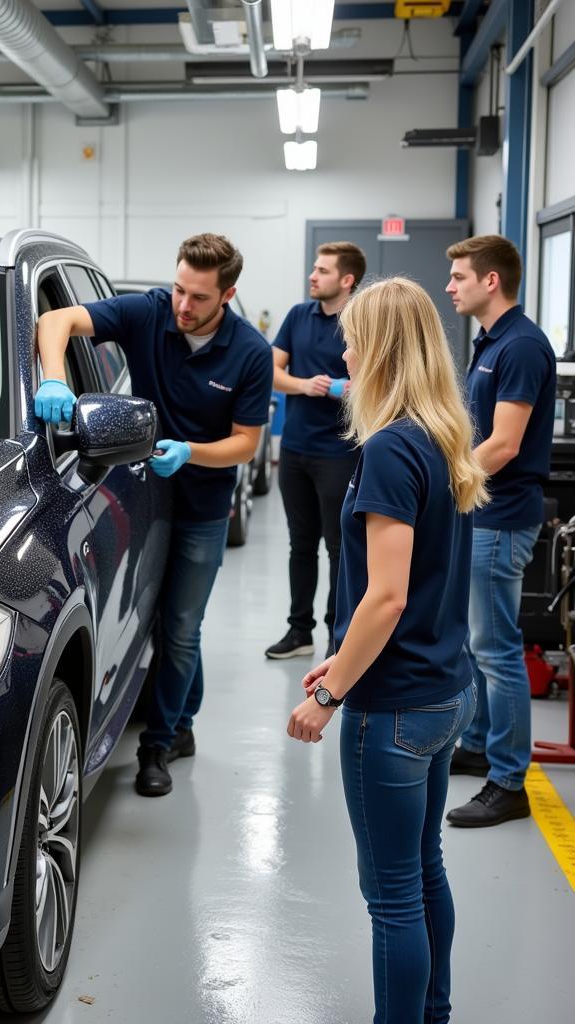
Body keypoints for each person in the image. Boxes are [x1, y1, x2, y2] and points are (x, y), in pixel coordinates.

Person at [287, 278, 486, 1024]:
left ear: (380, 350)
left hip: (394, 709)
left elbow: (387, 596)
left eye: (354, 338)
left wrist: (330, 694)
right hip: (445, 689)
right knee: (425, 869)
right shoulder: (440, 435)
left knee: (393, 894)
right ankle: (432, 1012)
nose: (344, 348)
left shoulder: (391, 448)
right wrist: (340, 659)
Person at [35, 233, 273, 797]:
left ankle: (158, 743)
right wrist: (53, 375)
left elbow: (245, 444)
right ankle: (182, 720)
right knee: (156, 618)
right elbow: (56, 323)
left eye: (198, 298)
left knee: (184, 627)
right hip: (142, 498)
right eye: (179, 290)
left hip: (201, 508)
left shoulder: (250, 353)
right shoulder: (149, 312)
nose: (183, 306)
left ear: (228, 295)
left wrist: (192, 452)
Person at [444, 234, 557, 828]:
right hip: (482, 511)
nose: (450, 285)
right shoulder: (489, 341)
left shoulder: (521, 346)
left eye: (459, 276)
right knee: (477, 642)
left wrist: (441, 485)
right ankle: (483, 742)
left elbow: (505, 444)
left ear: (491, 281)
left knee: (497, 649)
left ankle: (509, 780)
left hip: (502, 514)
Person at [266, 241, 367, 661]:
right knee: (300, 544)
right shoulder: (297, 316)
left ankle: (338, 637)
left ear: (346, 280)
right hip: (295, 449)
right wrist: (305, 385)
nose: (313, 276)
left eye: (322, 271)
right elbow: (270, 370)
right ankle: (299, 631)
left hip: (339, 452)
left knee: (340, 548)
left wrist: (345, 388)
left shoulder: (360, 320)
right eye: (314, 269)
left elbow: (379, 376)